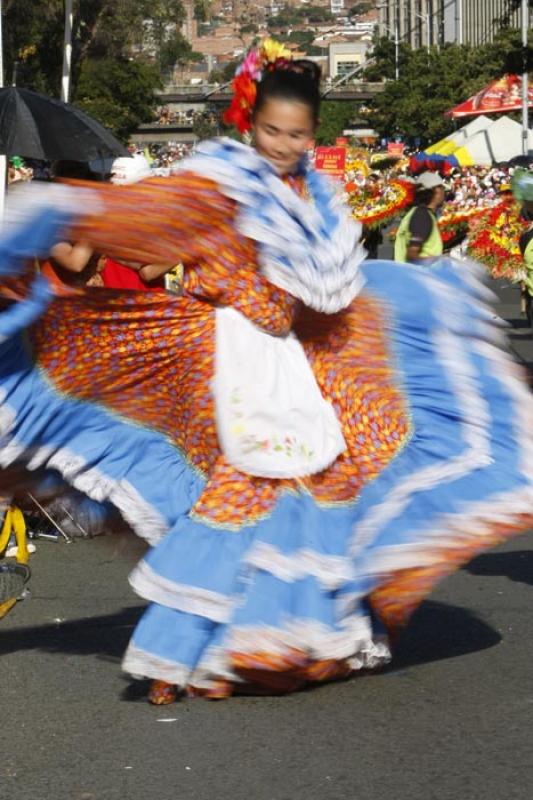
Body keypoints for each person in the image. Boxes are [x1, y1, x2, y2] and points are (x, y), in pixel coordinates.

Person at [0, 39, 532, 705]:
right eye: (273, 132)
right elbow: (135, 227)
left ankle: (250, 643)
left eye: (298, 134)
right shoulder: (217, 186)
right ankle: (180, 658)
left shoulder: (316, 202)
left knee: (302, 507)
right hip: (218, 369)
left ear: (312, 135)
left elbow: (328, 295)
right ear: (252, 128)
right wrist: (66, 222)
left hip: (300, 374)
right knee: (232, 503)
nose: (284, 144)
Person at [394, 171, 445, 263]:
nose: (444, 193)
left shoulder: (420, 212)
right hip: (419, 274)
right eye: (443, 189)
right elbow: (412, 253)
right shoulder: (422, 216)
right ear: (436, 191)